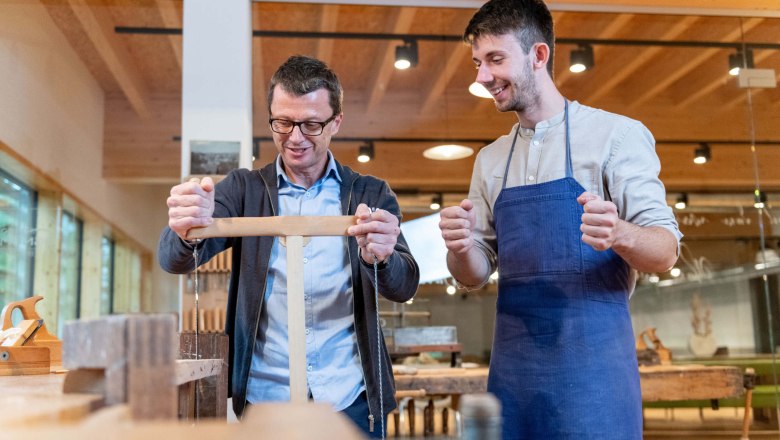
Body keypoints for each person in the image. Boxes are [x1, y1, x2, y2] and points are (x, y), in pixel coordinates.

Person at [438, 1, 681, 438]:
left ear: (539, 55)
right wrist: (459, 249)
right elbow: (473, 275)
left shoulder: (616, 136)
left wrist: (620, 233)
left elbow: (664, 251)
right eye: (477, 62)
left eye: (495, 59)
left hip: (596, 375)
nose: (481, 76)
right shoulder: (489, 159)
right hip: (513, 375)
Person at [159, 55, 419, 438]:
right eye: (282, 122)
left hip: (349, 398)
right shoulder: (244, 189)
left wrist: (380, 257)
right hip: (266, 398)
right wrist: (185, 225)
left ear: (336, 122)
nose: (295, 138)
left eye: (311, 124)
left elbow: (406, 283)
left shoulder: (370, 192)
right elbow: (172, 258)